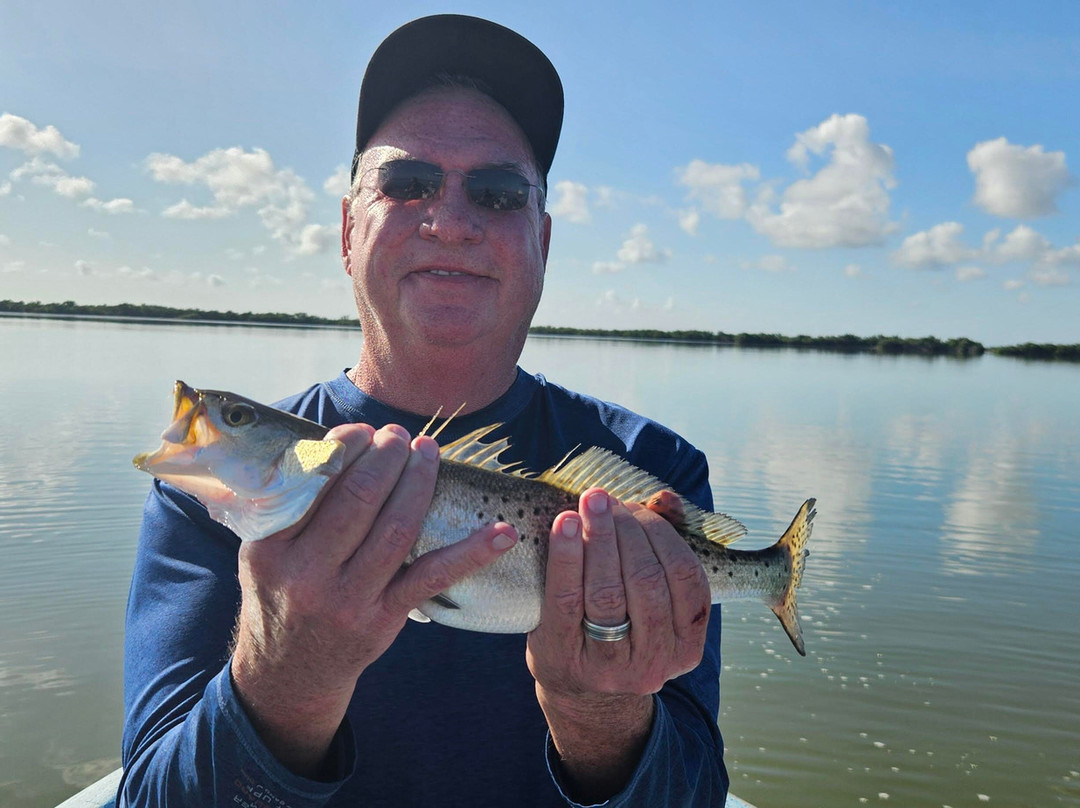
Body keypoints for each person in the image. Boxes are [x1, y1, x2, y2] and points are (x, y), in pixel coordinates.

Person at [120, 14, 729, 807]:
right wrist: (284, 684)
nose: (451, 219)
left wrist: (601, 712)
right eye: (407, 184)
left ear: (542, 241)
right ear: (347, 230)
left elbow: (693, 795)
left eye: (499, 192)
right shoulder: (207, 491)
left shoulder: (656, 474)